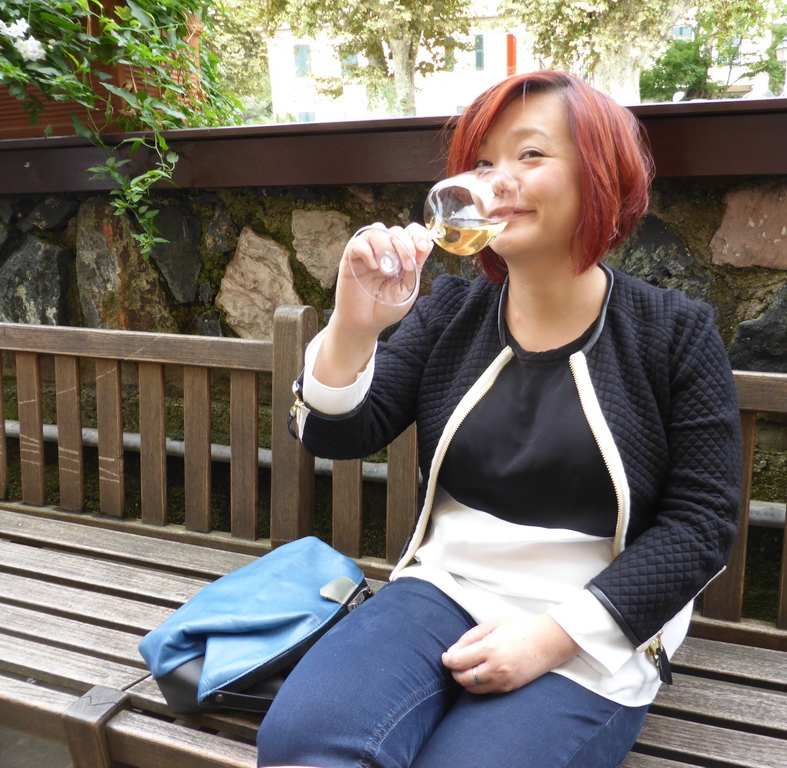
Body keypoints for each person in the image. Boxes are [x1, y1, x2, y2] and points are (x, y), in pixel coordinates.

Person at [257, 70, 742, 768]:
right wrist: (354, 327)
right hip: (441, 593)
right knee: (302, 741)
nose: (497, 179)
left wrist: (550, 638)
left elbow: (701, 526)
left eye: (531, 155)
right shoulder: (449, 313)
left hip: (589, 629)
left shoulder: (674, 335)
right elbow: (334, 433)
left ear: (599, 177)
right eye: (484, 161)